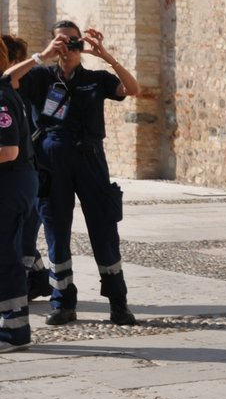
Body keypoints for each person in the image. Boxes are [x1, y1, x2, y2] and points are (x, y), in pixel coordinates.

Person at [3, 20, 143, 326]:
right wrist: (42, 55)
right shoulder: (40, 76)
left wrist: (107, 56)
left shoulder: (96, 78)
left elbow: (132, 89)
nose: (68, 47)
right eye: (61, 41)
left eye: (73, 41)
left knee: (104, 229)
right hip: (51, 161)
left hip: (90, 158)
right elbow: (6, 80)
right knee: (56, 231)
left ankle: (118, 302)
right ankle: (63, 301)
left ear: (82, 44)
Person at [0, 34, 47, 301]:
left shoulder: (6, 96)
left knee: (14, 250)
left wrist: (42, 56)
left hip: (19, 179)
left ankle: (14, 323)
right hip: (19, 178)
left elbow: (8, 151)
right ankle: (39, 280)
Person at [0, 58, 37, 350]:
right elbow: (12, 73)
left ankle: (16, 330)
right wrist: (40, 57)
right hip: (17, 182)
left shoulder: (0, 97)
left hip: (10, 183)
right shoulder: (5, 85)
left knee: (5, 255)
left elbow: (8, 151)